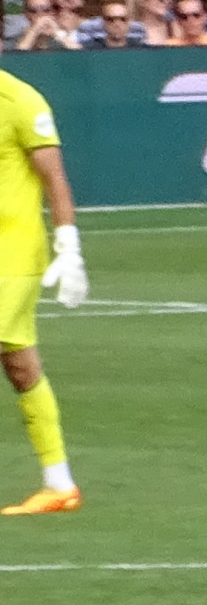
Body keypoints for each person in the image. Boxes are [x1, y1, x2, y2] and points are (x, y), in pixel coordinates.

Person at [0, 63, 83, 517]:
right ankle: (59, 483)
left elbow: (54, 178)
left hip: (11, 255)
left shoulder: (20, 100)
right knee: (19, 364)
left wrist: (68, 246)